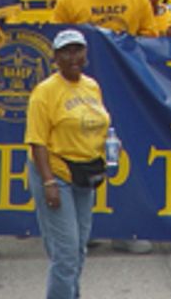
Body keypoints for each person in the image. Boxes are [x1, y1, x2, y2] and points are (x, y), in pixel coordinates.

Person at [26, 27, 111, 299]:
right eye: (66, 51)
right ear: (55, 58)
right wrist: (48, 181)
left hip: (84, 174)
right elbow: (37, 141)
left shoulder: (91, 85)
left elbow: (96, 122)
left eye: (78, 50)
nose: (73, 56)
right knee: (65, 253)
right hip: (55, 174)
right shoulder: (45, 92)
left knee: (79, 248)